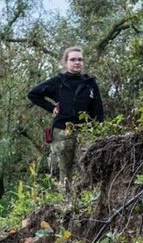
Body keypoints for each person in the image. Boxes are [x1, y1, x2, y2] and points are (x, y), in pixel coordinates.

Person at [28, 46, 104, 187]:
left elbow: (98, 111)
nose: (77, 62)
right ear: (65, 62)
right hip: (62, 132)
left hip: (85, 132)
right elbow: (33, 94)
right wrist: (51, 108)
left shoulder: (90, 83)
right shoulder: (58, 81)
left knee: (87, 168)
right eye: (73, 59)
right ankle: (66, 205)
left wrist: (99, 132)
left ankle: (85, 203)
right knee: (63, 173)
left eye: (80, 59)